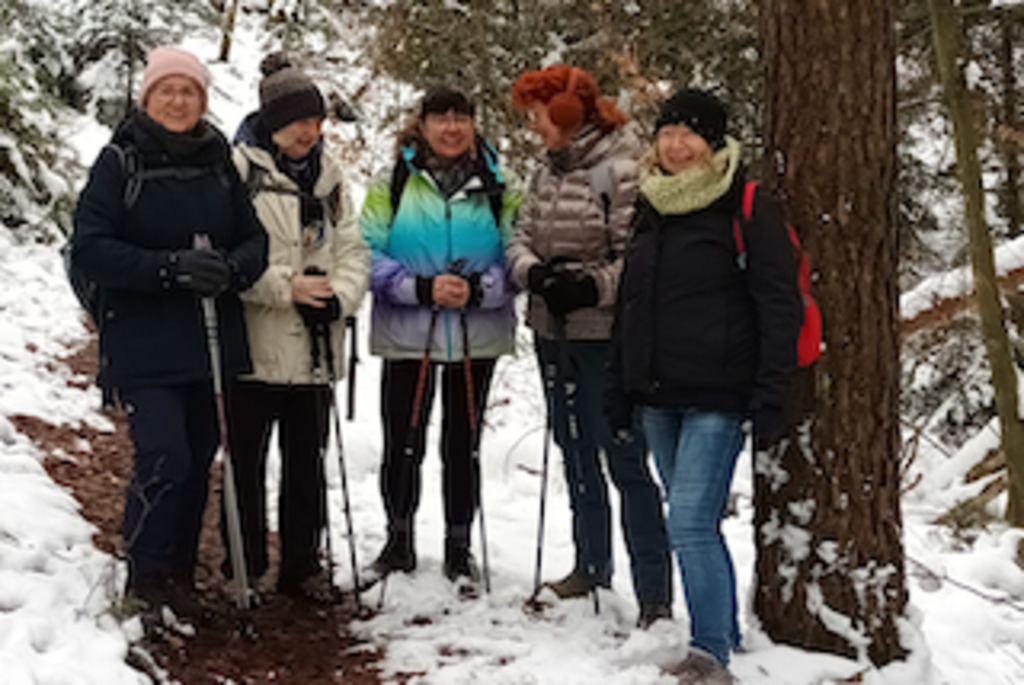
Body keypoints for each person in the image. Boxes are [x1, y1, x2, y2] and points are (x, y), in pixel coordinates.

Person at [606, 89, 802, 679]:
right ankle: (722, 633)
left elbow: (779, 303)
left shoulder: (746, 206)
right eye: (667, 133)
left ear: (714, 143)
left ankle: (711, 652)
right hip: (657, 394)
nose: (676, 145)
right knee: (692, 521)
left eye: (689, 134)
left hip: (719, 393)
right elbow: (631, 304)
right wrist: (620, 386)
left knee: (689, 522)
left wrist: (771, 390)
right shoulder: (650, 206)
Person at [71, 47, 268, 620]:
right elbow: (91, 248)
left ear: (203, 101)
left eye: (189, 92)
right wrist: (169, 269)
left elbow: (254, 241)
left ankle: (179, 577)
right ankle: (146, 577)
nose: (178, 101)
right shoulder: (120, 161)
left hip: (210, 338)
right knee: (164, 454)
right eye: (167, 90)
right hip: (142, 337)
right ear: (147, 98)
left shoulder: (219, 161)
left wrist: (229, 269)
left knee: (199, 455)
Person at [506, 64, 672, 627]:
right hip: (552, 330)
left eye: (538, 115)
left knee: (624, 456)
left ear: (567, 113)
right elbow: (520, 237)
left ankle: (654, 593)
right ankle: (590, 565)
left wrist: (590, 286)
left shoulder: (621, 172)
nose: (533, 127)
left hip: (605, 338)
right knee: (573, 447)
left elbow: (638, 260)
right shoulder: (544, 171)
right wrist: (534, 274)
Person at [359, 86, 520, 589]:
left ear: (473, 124)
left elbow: (519, 253)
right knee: (402, 441)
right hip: (408, 331)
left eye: (461, 118)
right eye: (441, 118)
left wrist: (481, 289)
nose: (451, 128)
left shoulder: (499, 184)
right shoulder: (392, 181)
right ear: (422, 125)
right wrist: (418, 287)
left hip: (477, 332)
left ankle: (459, 546)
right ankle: (398, 541)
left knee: (463, 444)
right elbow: (365, 250)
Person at [224, 53, 370, 601]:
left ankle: (302, 566)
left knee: (307, 462)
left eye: (316, 121)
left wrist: (339, 298)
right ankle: (243, 565)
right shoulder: (238, 173)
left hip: (315, 347)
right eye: (300, 122)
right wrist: (287, 288)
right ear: (273, 122)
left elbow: (353, 250)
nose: (312, 132)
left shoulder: (330, 180)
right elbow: (228, 259)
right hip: (252, 346)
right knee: (244, 463)